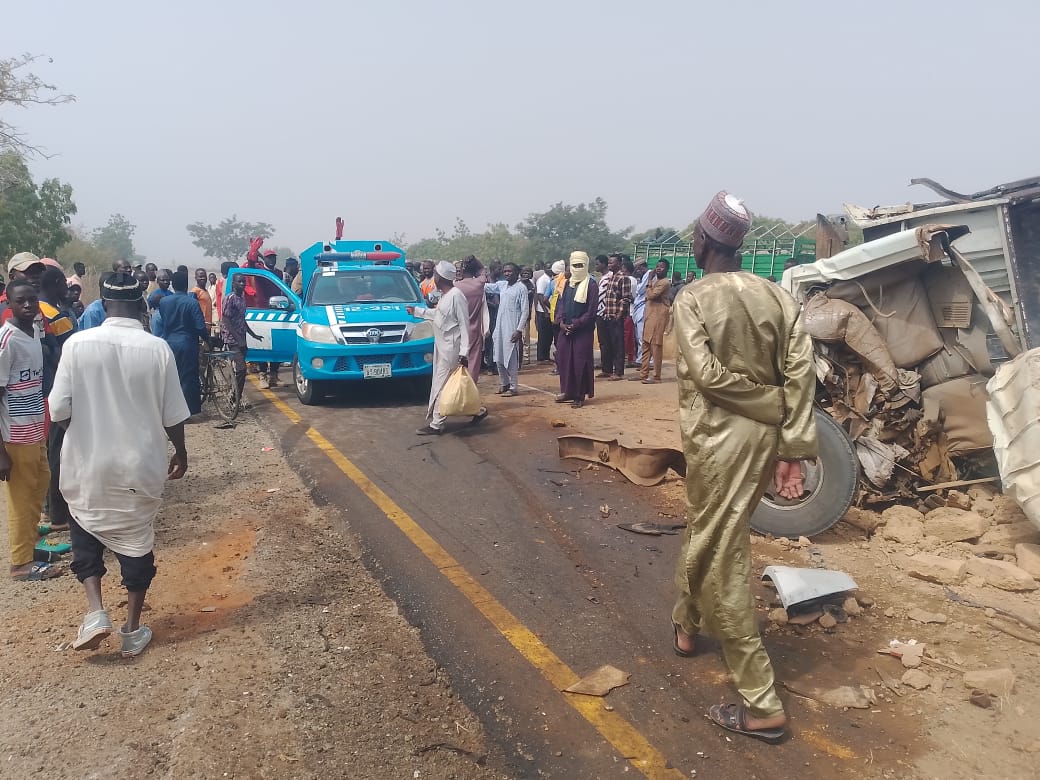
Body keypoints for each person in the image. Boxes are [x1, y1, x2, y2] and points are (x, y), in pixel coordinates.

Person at [670, 192, 817, 744]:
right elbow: (800, 376)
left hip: (718, 441)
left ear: (704, 241)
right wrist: (792, 444)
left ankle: (761, 702)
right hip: (765, 440)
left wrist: (766, 405)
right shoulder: (779, 297)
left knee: (722, 547)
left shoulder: (692, 299)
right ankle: (686, 624)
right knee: (707, 531)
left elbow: (706, 376)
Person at [50, 272, 190, 657]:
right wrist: (181, 452)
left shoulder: (77, 345)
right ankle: (131, 629)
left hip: (87, 460)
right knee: (136, 538)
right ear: (141, 305)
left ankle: (96, 612)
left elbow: (58, 408)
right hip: (139, 465)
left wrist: (86, 430)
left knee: (84, 527)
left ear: (103, 303)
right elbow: (173, 415)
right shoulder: (156, 349)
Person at [0, 280, 59, 581]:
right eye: (20, 300)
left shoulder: (33, 332)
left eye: (31, 300)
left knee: (40, 487)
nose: (27, 305)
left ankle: (29, 546)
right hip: (14, 436)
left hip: (36, 430)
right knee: (20, 499)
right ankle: (19, 564)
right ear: (9, 302)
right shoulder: (6, 340)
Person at [407, 261, 486, 435]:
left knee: (441, 385)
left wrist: (464, 352)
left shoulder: (457, 296)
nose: (433, 277)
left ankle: (437, 424)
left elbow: (465, 326)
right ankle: (478, 410)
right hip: (442, 346)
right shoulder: (446, 295)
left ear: (441, 277)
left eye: (435, 274)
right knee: (450, 384)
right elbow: (438, 315)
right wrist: (417, 312)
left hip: (452, 348)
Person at [39, 268, 79, 533]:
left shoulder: (37, 311)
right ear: (55, 283)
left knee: (47, 451)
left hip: (42, 392)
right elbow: (70, 354)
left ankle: (47, 508)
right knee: (58, 451)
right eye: (63, 282)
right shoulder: (55, 315)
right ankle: (58, 514)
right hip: (59, 390)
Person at [159, 270, 208, 415]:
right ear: (187, 285)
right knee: (188, 378)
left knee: (171, 378)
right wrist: (208, 339)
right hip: (187, 343)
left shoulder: (164, 302)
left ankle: (171, 410)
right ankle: (188, 411)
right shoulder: (192, 303)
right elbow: (200, 327)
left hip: (168, 342)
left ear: (173, 285)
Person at [554, 251, 598, 408]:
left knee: (580, 362)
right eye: (575, 265)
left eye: (580, 265)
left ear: (586, 266)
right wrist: (560, 322)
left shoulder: (591, 285)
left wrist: (576, 324)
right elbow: (561, 304)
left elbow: (591, 311)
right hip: (565, 329)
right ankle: (567, 391)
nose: (577, 268)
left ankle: (579, 395)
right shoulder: (566, 284)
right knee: (564, 360)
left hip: (582, 331)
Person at [219, 273, 261, 400]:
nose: (242, 284)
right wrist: (238, 339)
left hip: (242, 338)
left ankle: (236, 396)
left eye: (244, 282)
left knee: (241, 371)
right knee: (241, 368)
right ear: (233, 283)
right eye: (239, 282)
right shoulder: (230, 298)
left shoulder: (241, 298)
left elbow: (242, 320)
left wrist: (253, 334)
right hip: (232, 339)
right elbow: (226, 320)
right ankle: (234, 398)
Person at [490, 263, 529, 397]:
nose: (507, 273)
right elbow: (486, 287)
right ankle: (504, 383)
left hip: (512, 327)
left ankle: (513, 387)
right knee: (498, 356)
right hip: (499, 327)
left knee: (511, 357)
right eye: (505, 271)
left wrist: (519, 330)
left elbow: (525, 311)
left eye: (509, 271)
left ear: (517, 272)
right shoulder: (502, 285)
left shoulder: (521, 288)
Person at [453, 256, 490, 386]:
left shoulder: (455, 287)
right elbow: (482, 269)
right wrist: (473, 260)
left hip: (457, 330)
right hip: (474, 330)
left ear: (462, 270)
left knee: (457, 363)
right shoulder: (479, 284)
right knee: (473, 364)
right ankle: (470, 392)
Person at [636, 260, 672, 384]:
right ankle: (643, 373)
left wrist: (649, 281)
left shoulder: (665, 283)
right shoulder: (656, 281)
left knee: (656, 346)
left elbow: (651, 295)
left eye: (661, 267)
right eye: (657, 266)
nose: (658, 269)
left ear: (667, 269)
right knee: (646, 345)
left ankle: (656, 376)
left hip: (659, 316)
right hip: (649, 316)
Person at [599, 254, 630, 380]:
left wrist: (619, 314)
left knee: (618, 345)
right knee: (607, 344)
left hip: (616, 316)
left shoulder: (623, 278)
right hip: (607, 315)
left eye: (612, 263)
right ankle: (607, 369)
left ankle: (618, 372)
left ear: (619, 263)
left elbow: (625, 298)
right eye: (609, 263)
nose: (610, 265)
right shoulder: (611, 277)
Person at [593, 255, 612, 374]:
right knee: (603, 341)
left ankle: (607, 368)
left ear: (604, 264)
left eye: (597, 264)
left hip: (604, 313)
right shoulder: (603, 278)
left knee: (606, 341)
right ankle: (605, 365)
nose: (596, 266)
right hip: (599, 313)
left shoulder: (609, 277)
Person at [534, 261, 554, 362]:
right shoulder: (543, 280)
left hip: (550, 310)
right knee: (543, 335)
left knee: (549, 335)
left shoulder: (551, 279)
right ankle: (541, 357)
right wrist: (546, 311)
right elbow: (540, 296)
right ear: (544, 269)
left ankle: (546, 356)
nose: (550, 269)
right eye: (548, 268)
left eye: (551, 267)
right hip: (543, 311)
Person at [631, 259, 651, 365]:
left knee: (642, 336)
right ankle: (641, 359)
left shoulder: (648, 274)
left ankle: (646, 361)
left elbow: (640, 290)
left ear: (641, 267)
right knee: (639, 336)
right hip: (639, 308)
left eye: (637, 269)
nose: (636, 271)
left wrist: (638, 284)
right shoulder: (643, 277)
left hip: (644, 308)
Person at [147, 269, 172, 335]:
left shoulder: (171, 294)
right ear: (158, 281)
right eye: (163, 280)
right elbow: (148, 308)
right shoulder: (154, 294)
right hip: (158, 318)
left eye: (167, 280)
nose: (165, 282)